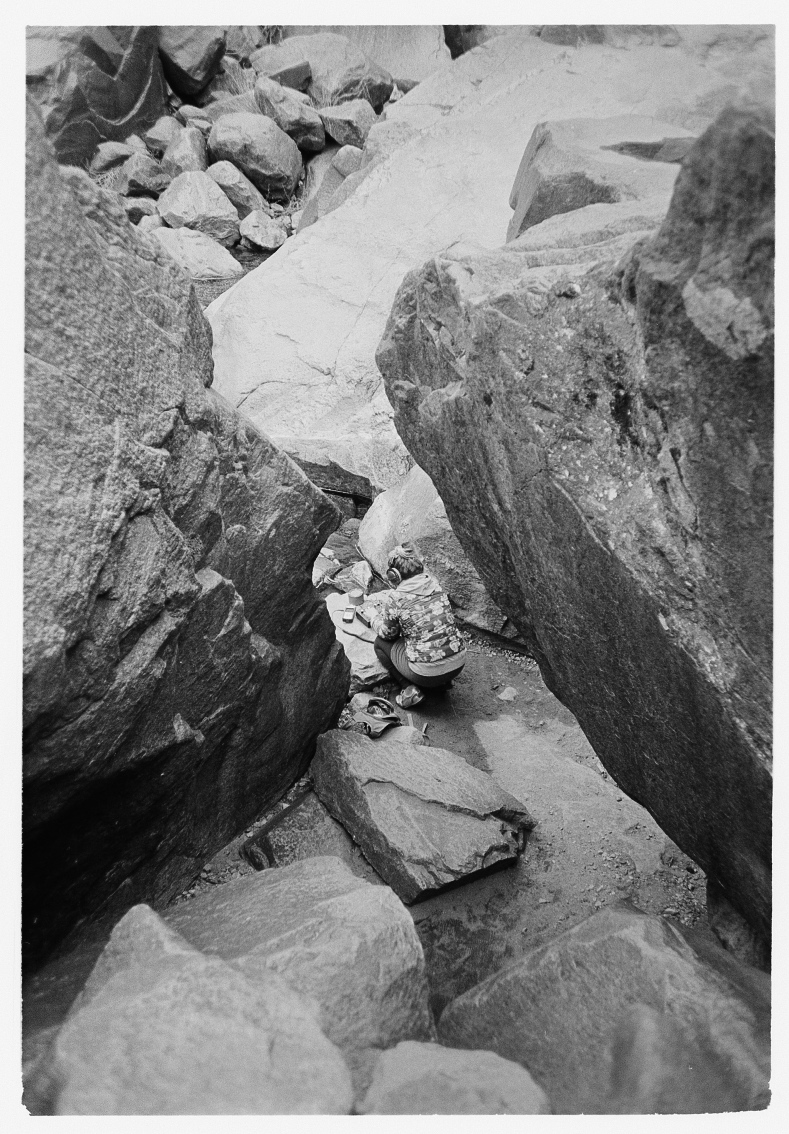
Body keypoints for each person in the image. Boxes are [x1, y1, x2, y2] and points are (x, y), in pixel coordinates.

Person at [371, 542, 467, 708]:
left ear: (394, 575)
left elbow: (389, 635)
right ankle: (443, 683)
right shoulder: (436, 585)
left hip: (425, 674)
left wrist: (374, 619)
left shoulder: (396, 598)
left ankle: (408, 688)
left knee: (379, 644)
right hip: (458, 664)